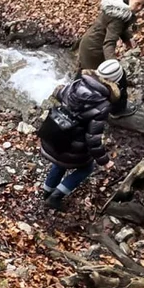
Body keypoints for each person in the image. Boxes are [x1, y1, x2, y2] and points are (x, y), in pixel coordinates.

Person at [40, 61, 122, 211]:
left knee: (59, 163)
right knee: (87, 168)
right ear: (114, 81)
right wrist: (104, 161)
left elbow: (58, 92)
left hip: (55, 136)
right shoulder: (103, 105)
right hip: (73, 144)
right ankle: (56, 197)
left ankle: (47, 192)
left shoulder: (77, 83)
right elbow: (93, 138)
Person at [78, 0, 144, 118]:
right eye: (138, 4)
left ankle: (76, 97)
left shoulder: (119, 4)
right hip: (94, 49)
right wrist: (113, 66)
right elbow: (109, 42)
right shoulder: (119, 15)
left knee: (86, 75)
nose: (140, 8)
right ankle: (116, 110)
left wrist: (127, 38)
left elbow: (116, 28)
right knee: (118, 78)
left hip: (88, 43)